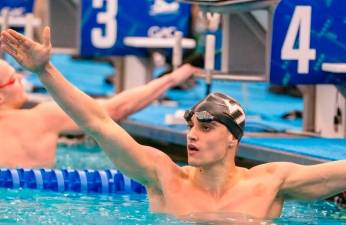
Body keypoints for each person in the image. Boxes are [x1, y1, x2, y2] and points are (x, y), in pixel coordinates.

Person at [2, 27, 346, 220]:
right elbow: (98, 123)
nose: (192, 136)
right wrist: (45, 72)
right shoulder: (163, 176)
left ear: (233, 140)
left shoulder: (271, 182)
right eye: (192, 127)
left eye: (207, 128)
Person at [0, 38, 199, 168]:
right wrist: (171, 79)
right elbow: (115, 109)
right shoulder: (41, 119)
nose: (21, 79)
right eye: (13, 78)